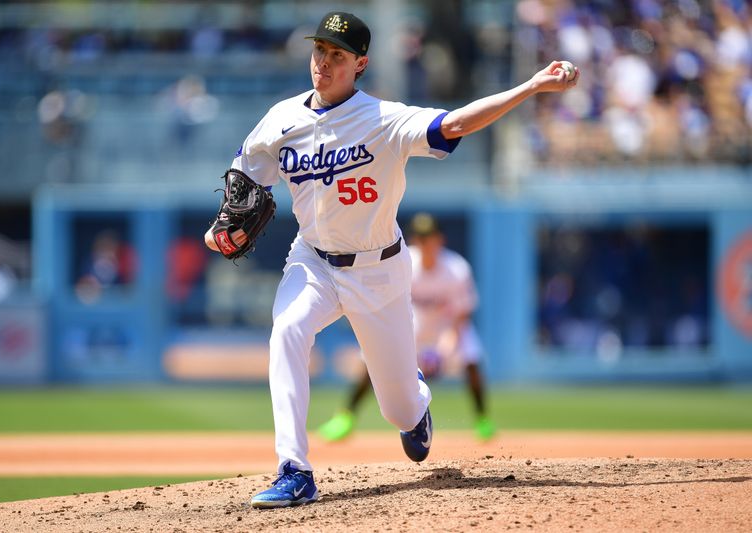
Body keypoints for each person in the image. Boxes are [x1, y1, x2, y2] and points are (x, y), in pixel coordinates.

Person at [207, 11, 578, 509]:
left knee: (397, 408)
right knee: (288, 331)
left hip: (378, 270)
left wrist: (530, 87)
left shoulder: (384, 119)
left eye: (337, 55)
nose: (324, 62)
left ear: (360, 63)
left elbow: (457, 122)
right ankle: (294, 470)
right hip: (312, 261)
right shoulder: (281, 119)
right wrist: (220, 227)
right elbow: (244, 173)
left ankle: (416, 406)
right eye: (319, 50)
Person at [318, 212, 495, 442]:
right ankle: (345, 417)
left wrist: (444, 350)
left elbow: (461, 317)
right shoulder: (407, 262)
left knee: (471, 359)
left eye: (429, 237)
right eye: (421, 238)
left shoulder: (456, 269)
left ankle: (482, 420)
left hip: (447, 327)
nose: (425, 243)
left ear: (440, 239)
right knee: (372, 360)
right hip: (414, 324)